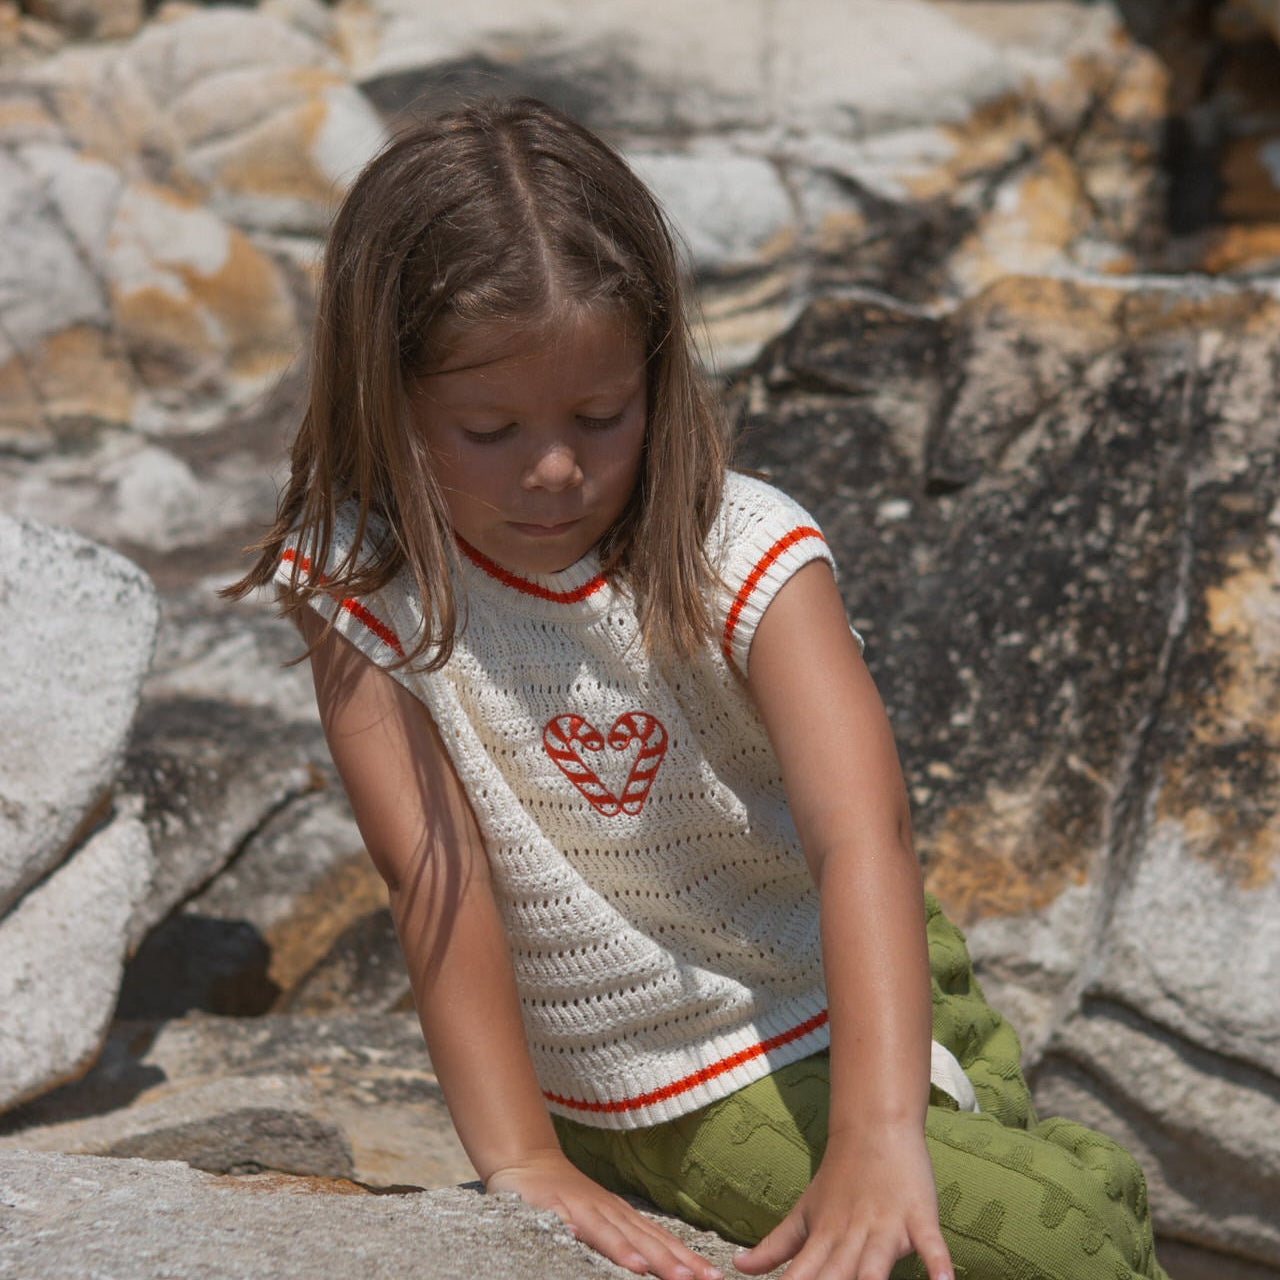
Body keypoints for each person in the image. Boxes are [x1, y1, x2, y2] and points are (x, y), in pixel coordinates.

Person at [228, 97, 1169, 1280]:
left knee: (1039, 1182)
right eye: (486, 426)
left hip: (865, 951)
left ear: (656, 371)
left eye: (600, 414)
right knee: (1064, 1234)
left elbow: (860, 833)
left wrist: (879, 1134)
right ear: (388, 396)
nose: (555, 467)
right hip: (670, 1065)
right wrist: (523, 1159)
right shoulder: (366, 582)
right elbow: (435, 875)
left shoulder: (744, 550)